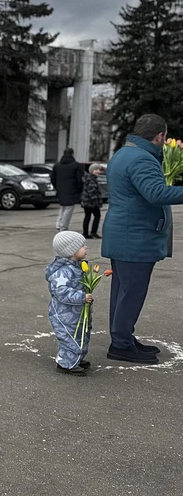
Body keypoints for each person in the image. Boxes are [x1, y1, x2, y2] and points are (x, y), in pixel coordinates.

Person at [101, 114, 183, 364]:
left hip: (125, 235)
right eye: (165, 137)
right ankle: (121, 345)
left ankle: (123, 338)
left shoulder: (124, 154)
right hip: (134, 239)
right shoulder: (141, 159)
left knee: (123, 291)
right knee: (132, 292)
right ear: (159, 136)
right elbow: (156, 193)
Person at [46, 231, 93, 376]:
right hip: (64, 313)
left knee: (82, 334)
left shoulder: (76, 266)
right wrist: (81, 296)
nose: (86, 248)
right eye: (81, 246)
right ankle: (66, 363)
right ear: (71, 251)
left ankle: (76, 358)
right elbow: (61, 292)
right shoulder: (63, 271)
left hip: (77, 311)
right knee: (70, 337)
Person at [50, 148, 84, 232]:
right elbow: (80, 179)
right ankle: (64, 226)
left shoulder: (57, 166)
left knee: (62, 207)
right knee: (69, 208)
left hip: (61, 189)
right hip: (72, 189)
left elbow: (53, 179)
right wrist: (79, 189)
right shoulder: (76, 165)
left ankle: (58, 224)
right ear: (72, 154)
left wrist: (57, 187)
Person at [81, 164, 104, 238]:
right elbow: (92, 191)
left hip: (86, 201)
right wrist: (96, 201)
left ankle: (86, 233)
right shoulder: (91, 179)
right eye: (96, 170)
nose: (98, 171)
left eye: (99, 170)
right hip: (91, 202)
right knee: (97, 216)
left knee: (87, 216)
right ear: (91, 171)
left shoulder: (88, 178)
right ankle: (93, 232)